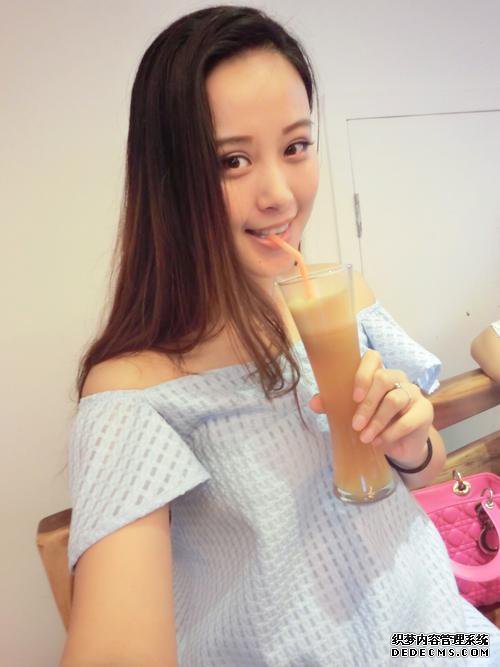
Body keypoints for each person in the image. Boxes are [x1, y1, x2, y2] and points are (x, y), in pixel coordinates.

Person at [60, 6, 500, 666]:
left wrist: (411, 445)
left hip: (436, 634)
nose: (281, 196)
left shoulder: (345, 299)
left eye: (295, 147)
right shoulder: (132, 394)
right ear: (170, 180)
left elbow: (426, 470)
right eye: (232, 160)